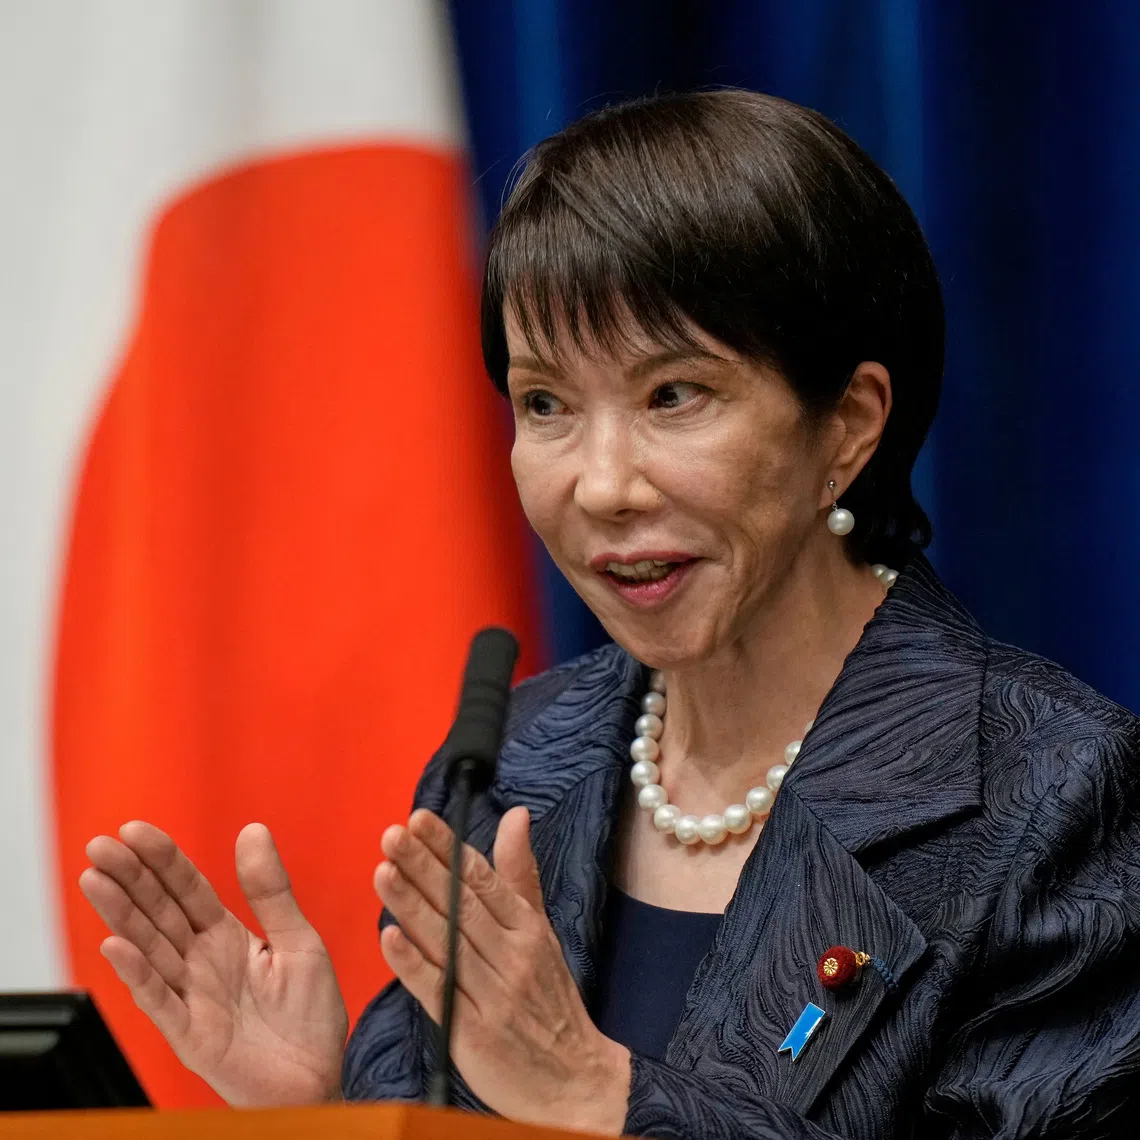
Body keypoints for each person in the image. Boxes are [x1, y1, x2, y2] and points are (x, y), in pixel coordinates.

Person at [79, 89, 1140, 1138]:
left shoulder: (1052, 797)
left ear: (849, 426)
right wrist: (322, 1112)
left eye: (674, 395)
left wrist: (603, 1100)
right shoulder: (519, 762)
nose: (600, 485)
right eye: (545, 403)